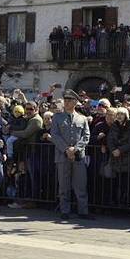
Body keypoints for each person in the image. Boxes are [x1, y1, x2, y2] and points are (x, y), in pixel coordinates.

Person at [51, 89, 91, 220]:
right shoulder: (57, 117)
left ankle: (83, 211)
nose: (66, 102)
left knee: (81, 185)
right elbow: (55, 135)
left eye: (69, 100)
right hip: (62, 155)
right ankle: (65, 210)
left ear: (75, 102)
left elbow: (86, 136)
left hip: (79, 155)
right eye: (65, 100)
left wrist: (76, 149)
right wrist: (67, 149)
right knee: (64, 185)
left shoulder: (82, 118)